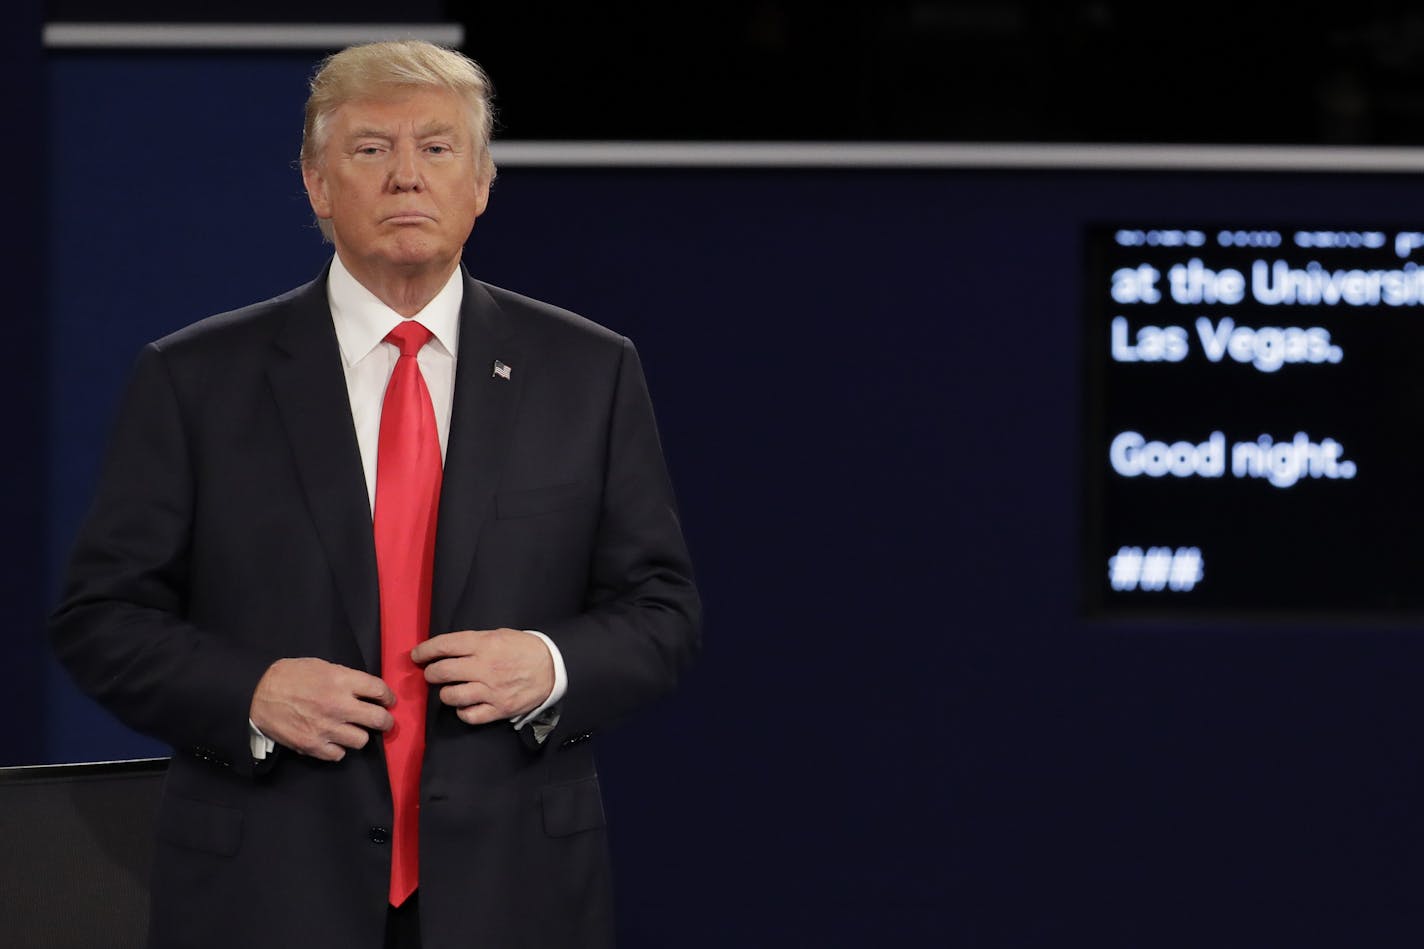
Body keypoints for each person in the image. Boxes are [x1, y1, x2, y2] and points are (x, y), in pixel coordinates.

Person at [49, 40, 700, 949]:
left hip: (515, 889)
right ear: (317, 184)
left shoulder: (588, 370)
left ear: (481, 183)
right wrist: (251, 689)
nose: (405, 178)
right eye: (370, 150)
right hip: (264, 888)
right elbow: (101, 616)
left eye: (436, 149)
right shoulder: (194, 377)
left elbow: (662, 610)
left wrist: (548, 664)